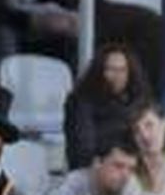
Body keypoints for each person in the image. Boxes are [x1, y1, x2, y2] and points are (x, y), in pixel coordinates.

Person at [63, 43, 149, 171]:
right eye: (111, 69)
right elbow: (83, 150)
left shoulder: (138, 100)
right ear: (99, 71)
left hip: (135, 170)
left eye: (122, 70)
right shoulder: (81, 101)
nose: (117, 76)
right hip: (93, 173)